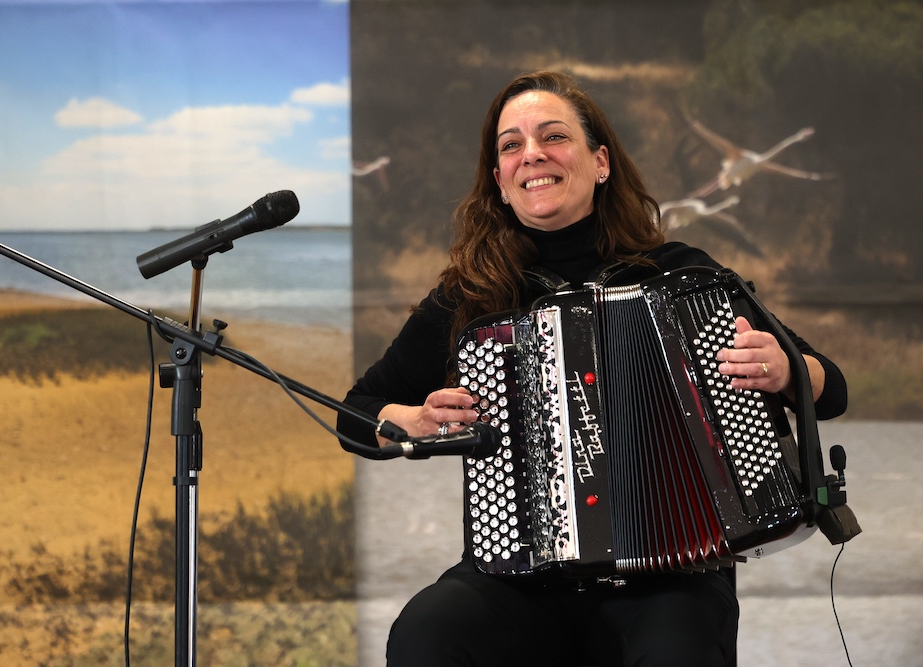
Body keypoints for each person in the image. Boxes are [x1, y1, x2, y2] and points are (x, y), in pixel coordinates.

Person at [336, 70, 847, 667]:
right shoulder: (470, 296)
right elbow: (356, 413)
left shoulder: (683, 277)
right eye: (510, 146)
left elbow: (829, 386)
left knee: (677, 647)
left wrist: (790, 369)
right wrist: (407, 421)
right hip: (523, 574)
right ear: (500, 181)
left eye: (552, 137)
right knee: (427, 632)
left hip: (670, 573)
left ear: (600, 162)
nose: (532, 155)